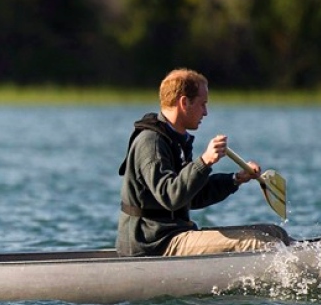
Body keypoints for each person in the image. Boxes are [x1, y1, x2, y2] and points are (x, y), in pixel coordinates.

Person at [116, 69, 289, 257]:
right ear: (184, 103)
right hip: (153, 244)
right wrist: (204, 162)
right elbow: (171, 197)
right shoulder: (152, 143)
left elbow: (193, 197)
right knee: (257, 242)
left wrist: (235, 179)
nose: (205, 112)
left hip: (173, 234)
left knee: (274, 233)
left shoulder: (175, 140)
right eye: (202, 104)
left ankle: (304, 258)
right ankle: (300, 269)